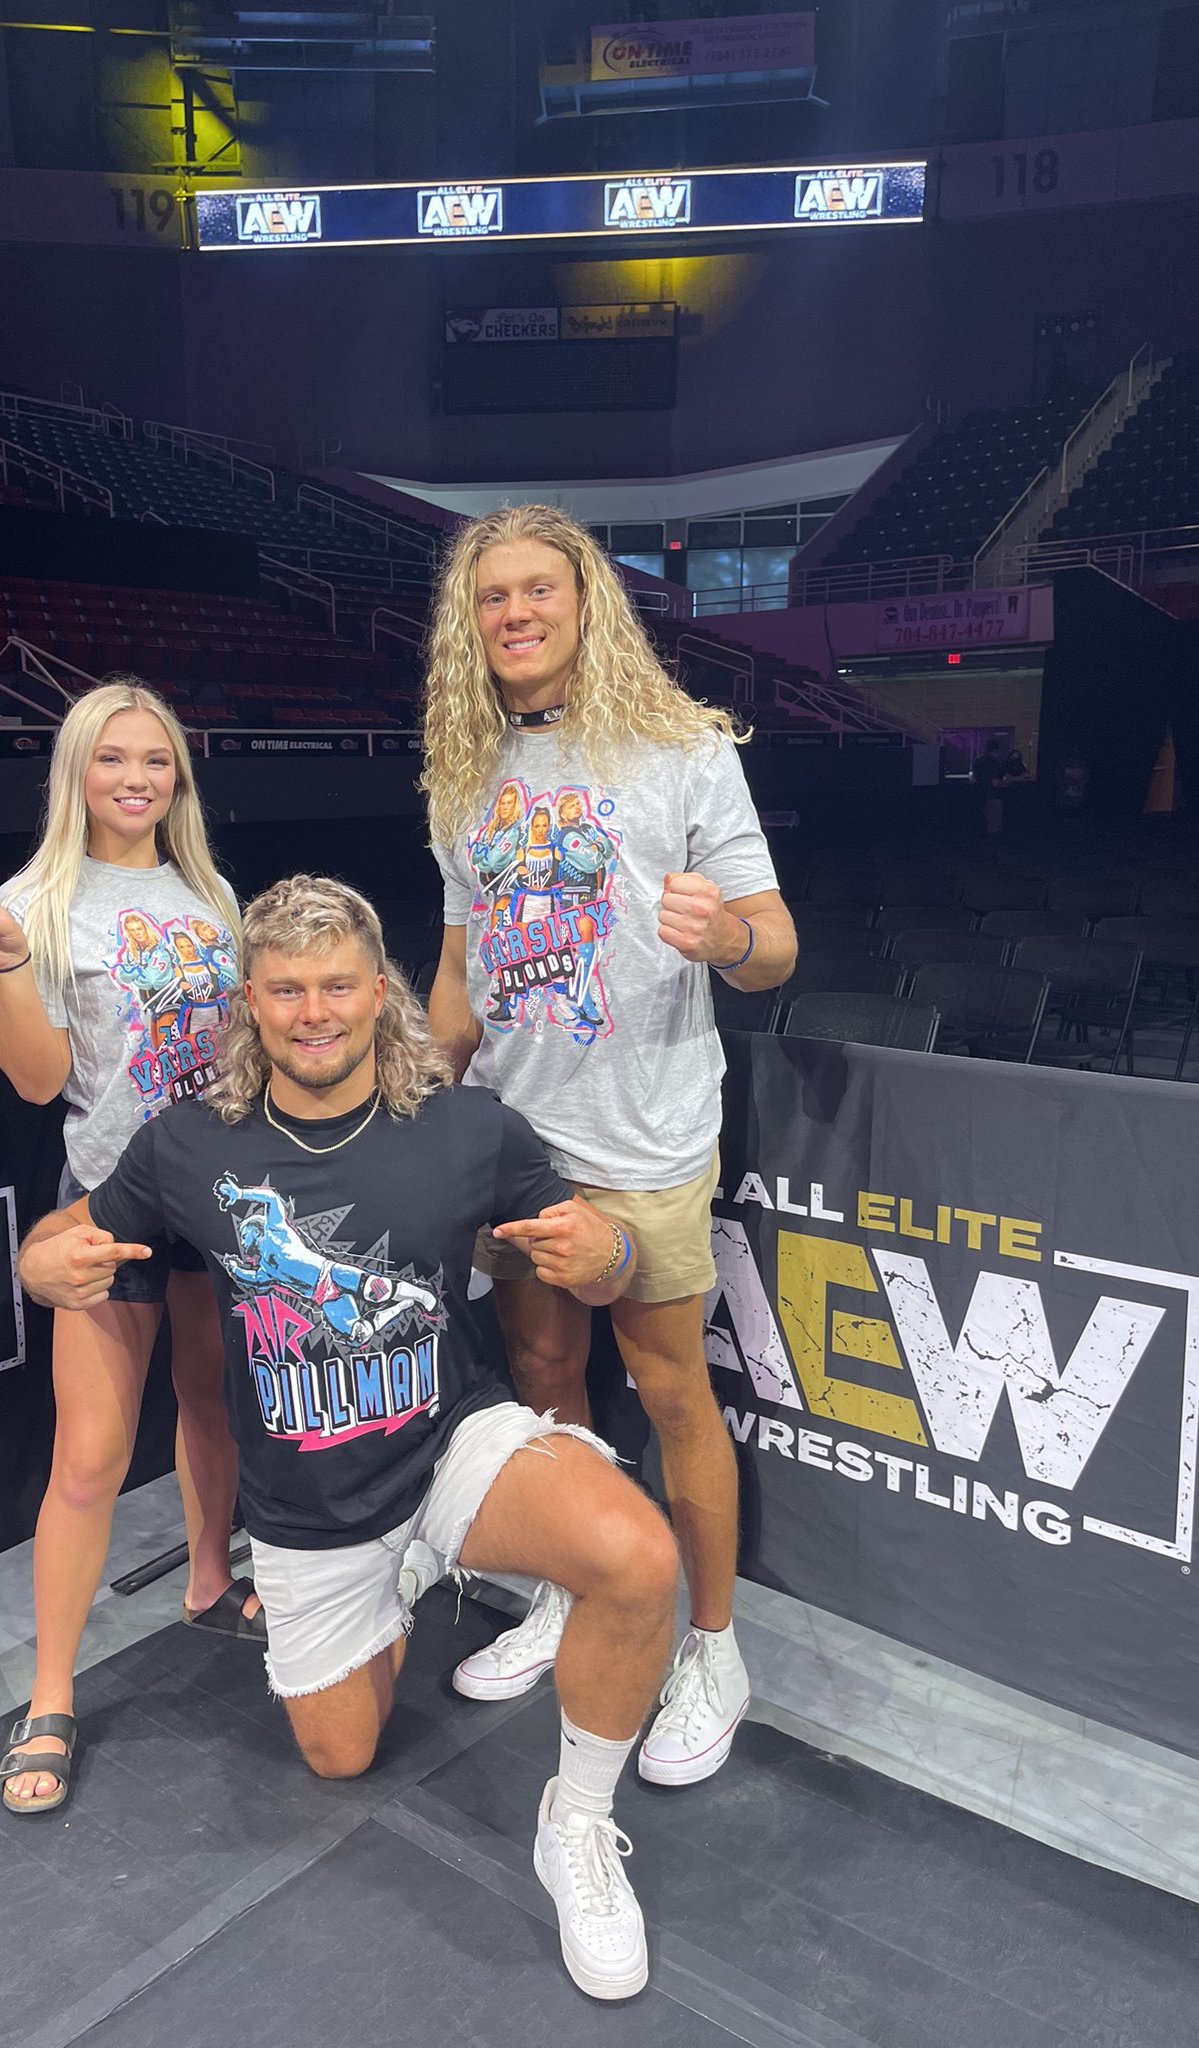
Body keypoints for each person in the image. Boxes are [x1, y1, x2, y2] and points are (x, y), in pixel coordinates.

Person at [15, 876, 681, 2001]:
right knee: (341, 1757)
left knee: (637, 1556)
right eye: (286, 989)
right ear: (253, 1002)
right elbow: (60, 1239)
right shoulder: (190, 1145)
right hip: (307, 1504)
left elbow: (606, 1258)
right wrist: (43, 1267)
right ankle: (403, 1573)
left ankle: (575, 1824)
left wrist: (606, 1257)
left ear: (380, 992)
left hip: (451, 1441)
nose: (313, 1011)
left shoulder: (468, 1127)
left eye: (335, 986)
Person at [422, 505, 796, 1787]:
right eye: (492, 596)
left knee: (672, 1388)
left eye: (538, 588)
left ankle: (713, 1646)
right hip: (516, 1137)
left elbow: (775, 943)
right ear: (469, 621)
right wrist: (424, 1100)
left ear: (586, 601)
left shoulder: (684, 748)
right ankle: (566, 1591)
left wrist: (726, 938)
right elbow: (460, 968)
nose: (515, 612)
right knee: (541, 1368)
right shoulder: (463, 766)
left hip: (646, 1136)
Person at [0, 677, 261, 1817]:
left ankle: (210, 1577)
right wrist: (11, 967)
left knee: (212, 1404)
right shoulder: (36, 899)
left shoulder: (209, 890)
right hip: (114, 1200)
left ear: (178, 775)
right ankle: (51, 1693)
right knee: (90, 1456)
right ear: (76, 771)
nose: (135, 778)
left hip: (216, 1189)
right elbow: (38, 1081)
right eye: (112, 758)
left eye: (155, 759)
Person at [971, 733, 1031, 838]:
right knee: (994, 829)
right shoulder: (994, 763)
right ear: (996, 750)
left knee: (982, 827)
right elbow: (995, 782)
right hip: (993, 798)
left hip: (978, 796)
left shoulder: (977, 762)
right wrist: (1009, 782)